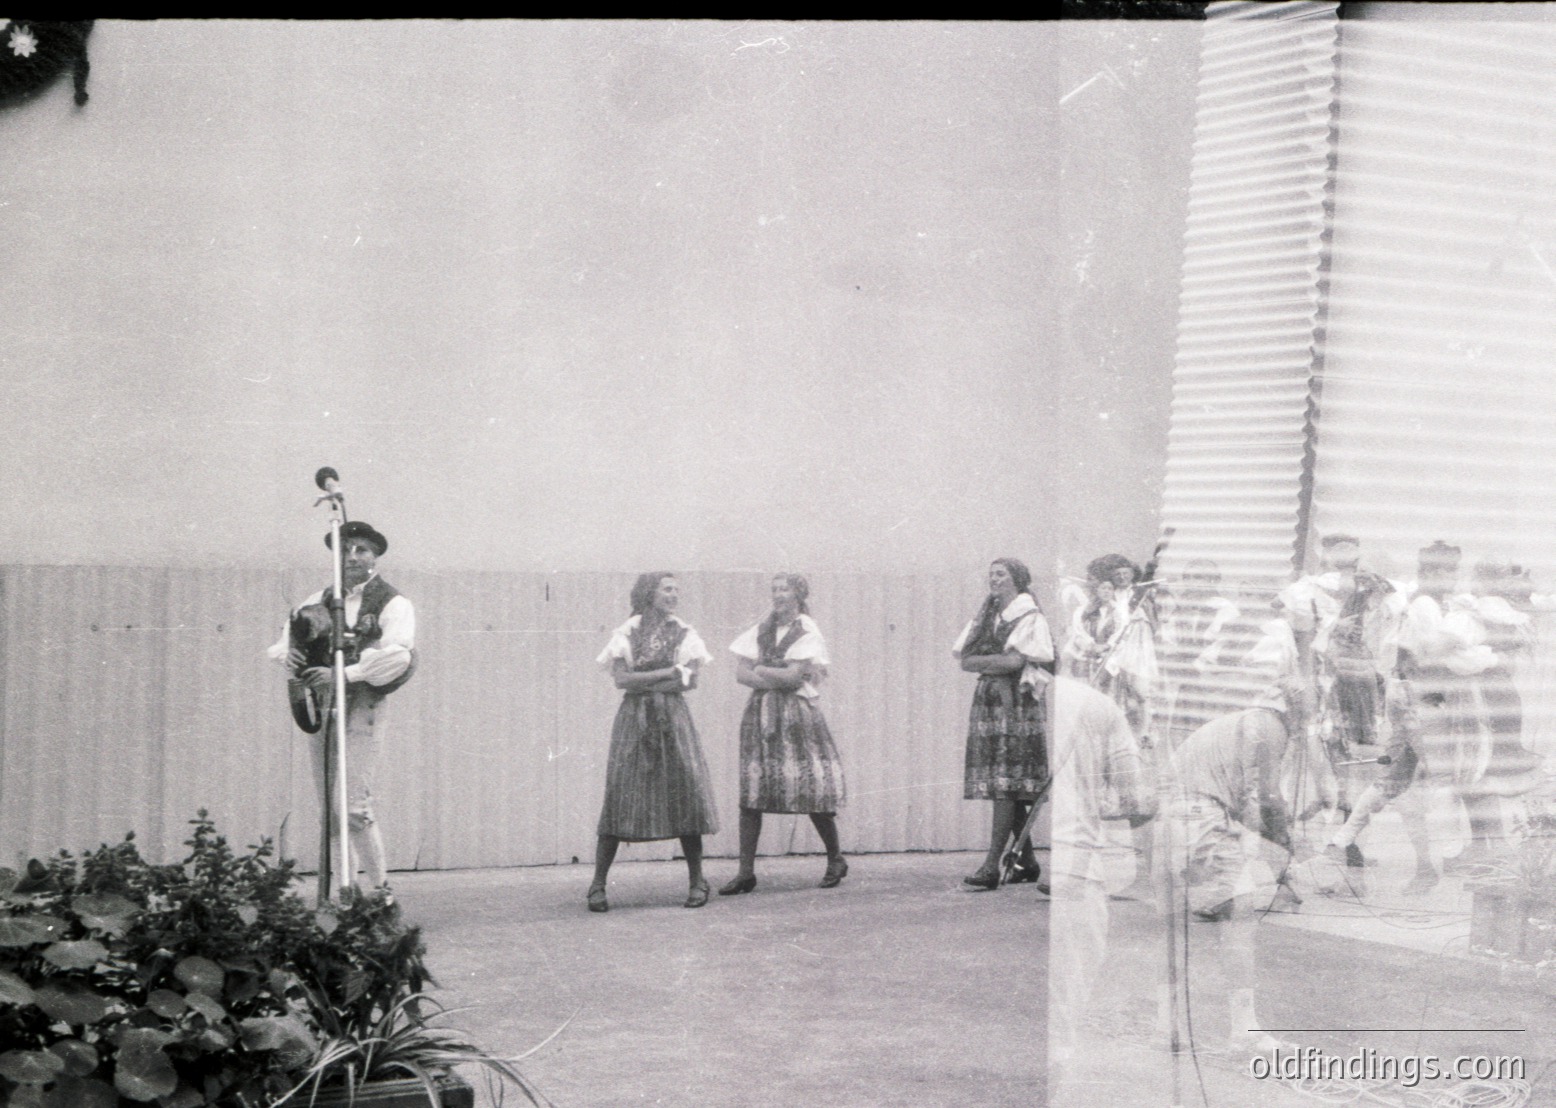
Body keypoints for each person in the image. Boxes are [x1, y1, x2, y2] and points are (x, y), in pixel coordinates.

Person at [1155, 595, 1308, 1059]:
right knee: (1239, 913)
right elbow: (1260, 799)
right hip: (1197, 815)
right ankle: (1244, 1028)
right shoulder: (1269, 726)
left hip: (1174, 818)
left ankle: (1165, 1022)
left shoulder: (1242, 721)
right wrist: (1286, 846)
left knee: (1186, 923)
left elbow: (1247, 804)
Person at [269, 520, 415, 899]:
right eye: (345, 550)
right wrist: (294, 656)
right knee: (331, 811)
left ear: (375, 555)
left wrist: (343, 673)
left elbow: (398, 657)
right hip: (322, 709)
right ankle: (345, 895)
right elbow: (286, 648)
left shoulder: (393, 603)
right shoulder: (315, 601)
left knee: (352, 806)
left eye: (361, 549)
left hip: (362, 706)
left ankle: (381, 892)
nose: (352, 557)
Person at [589, 573, 720, 913]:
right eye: (667, 589)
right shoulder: (628, 631)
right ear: (650, 593)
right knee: (621, 792)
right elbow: (621, 679)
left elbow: (690, 681)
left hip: (673, 719)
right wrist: (666, 674)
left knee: (685, 790)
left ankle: (697, 881)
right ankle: (598, 884)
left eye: (676, 589)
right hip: (635, 720)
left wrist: (644, 680)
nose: (673, 595)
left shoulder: (685, 633)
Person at [1047, 678, 1148, 1096]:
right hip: (1076, 864)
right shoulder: (1103, 706)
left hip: (1031, 864)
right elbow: (1134, 803)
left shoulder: (1027, 695)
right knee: (1069, 983)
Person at [720, 574, 848, 895]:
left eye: (785, 589)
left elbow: (794, 679)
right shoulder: (762, 628)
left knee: (808, 786)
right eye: (775, 590)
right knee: (752, 792)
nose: (778, 595)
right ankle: (745, 871)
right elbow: (740, 672)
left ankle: (835, 858)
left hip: (796, 716)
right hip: (760, 715)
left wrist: (761, 670)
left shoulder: (806, 629)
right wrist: (770, 676)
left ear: (798, 594)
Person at [953, 557, 1055, 890]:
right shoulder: (988, 615)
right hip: (990, 699)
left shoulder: (1030, 616)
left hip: (1017, 703)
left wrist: (992, 662)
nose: (994, 579)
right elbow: (965, 659)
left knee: (1006, 781)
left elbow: (1015, 662)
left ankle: (991, 865)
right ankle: (1027, 861)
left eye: (1001, 574)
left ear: (1017, 579)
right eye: (992, 574)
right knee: (1004, 782)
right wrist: (1001, 662)